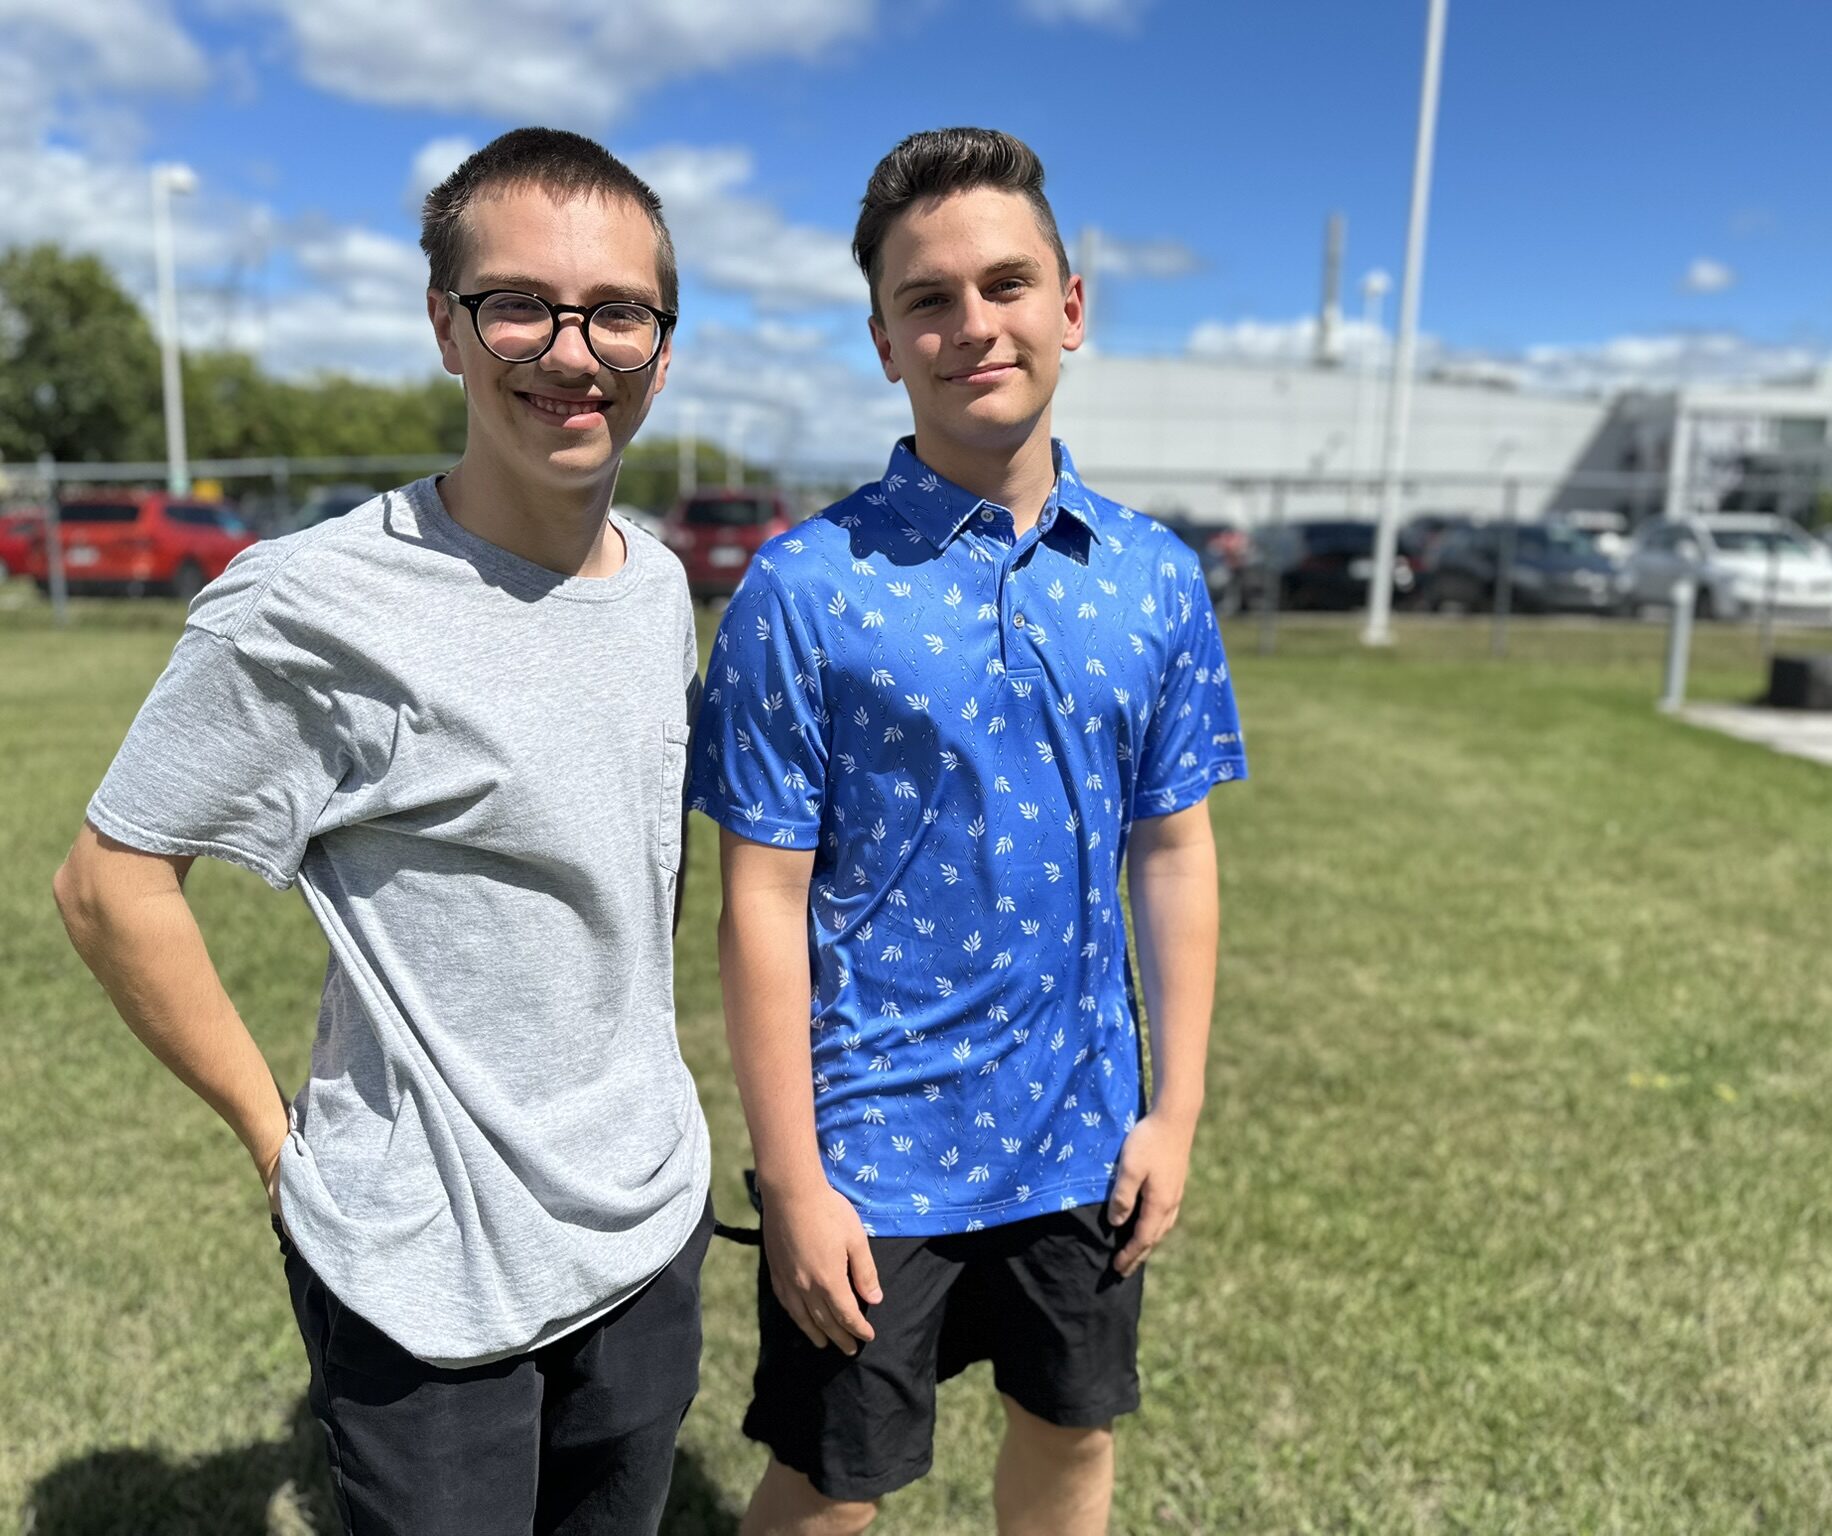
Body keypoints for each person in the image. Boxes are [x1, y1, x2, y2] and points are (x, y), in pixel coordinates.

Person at [52, 127, 712, 1536]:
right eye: (520, 304)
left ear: (664, 340)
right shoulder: (313, 604)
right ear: (445, 326)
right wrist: (273, 1142)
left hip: (649, 1227)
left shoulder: (659, 588)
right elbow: (110, 884)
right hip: (423, 1264)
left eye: (619, 312)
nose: (572, 352)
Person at [689, 127, 1247, 1536]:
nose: (971, 325)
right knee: (833, 1485)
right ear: (884, 340)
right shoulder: (802, 592)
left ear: (1072, 303)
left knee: (1071, 1439)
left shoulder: (1155, 582)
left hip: (1083, 1130)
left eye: (1006, 284)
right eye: (927, 300)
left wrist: (1172, 1111)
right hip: (872, 1144)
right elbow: (759, 900)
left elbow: (1172, 855)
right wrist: (793, 1177)